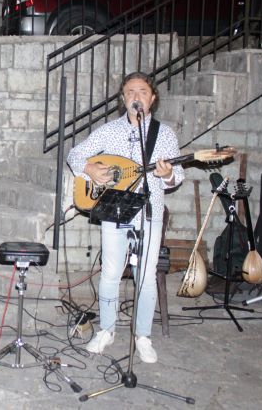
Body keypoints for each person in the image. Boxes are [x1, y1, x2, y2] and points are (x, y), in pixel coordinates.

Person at [66, 72, 183, 364]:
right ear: (123, 98)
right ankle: (106, 330)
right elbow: (75, 155)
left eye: (142, 91)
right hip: (114, 210)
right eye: (130, 92)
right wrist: (90, 170)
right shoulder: (109, 131)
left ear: (152, 98)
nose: (135, 96)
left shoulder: (164, 134)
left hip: (149, 211)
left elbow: (177, 176)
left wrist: (168, 174)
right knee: (110, 273)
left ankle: (143, 336)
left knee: (146, 275)